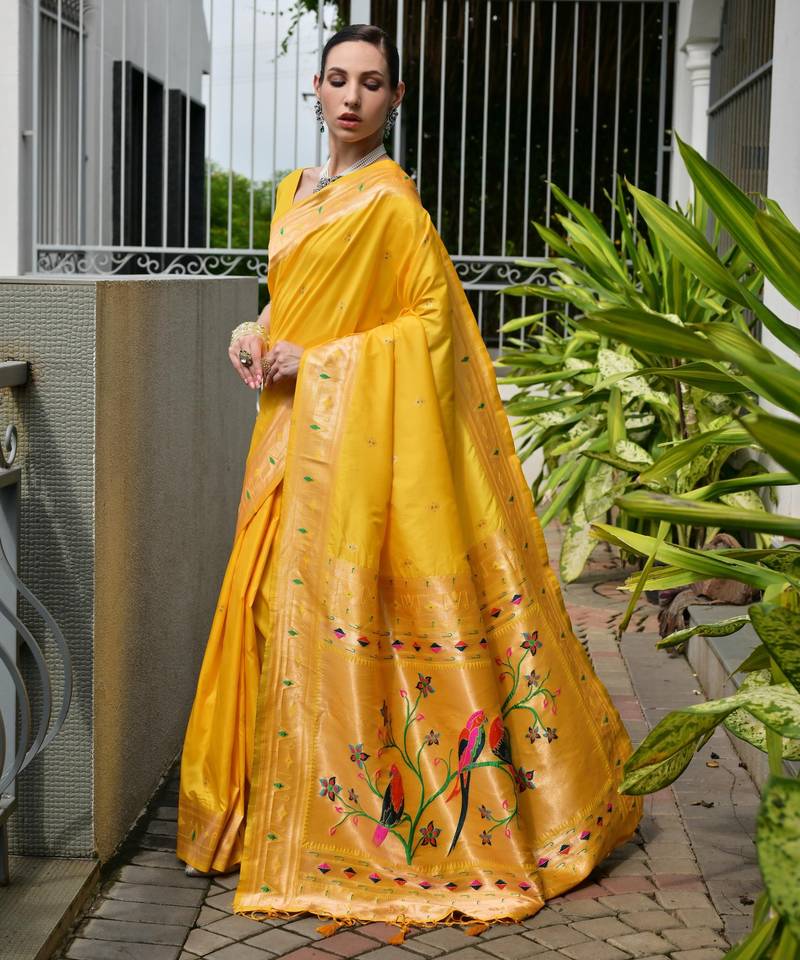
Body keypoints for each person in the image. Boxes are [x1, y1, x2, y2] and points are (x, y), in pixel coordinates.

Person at [177, 23, 642, 936]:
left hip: (351, 442)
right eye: (338, 79)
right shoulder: (292, 192)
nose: (352, 97)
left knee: (346, 618)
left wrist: (318, 362)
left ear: (394, 99)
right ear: (316, 89)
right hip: (288, 437)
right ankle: (276, 814)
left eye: (372, 83)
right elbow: (291, 301)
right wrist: (254, 332)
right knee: (269, 614)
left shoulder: (393, 203)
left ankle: (369, 823)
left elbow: (429, 328)